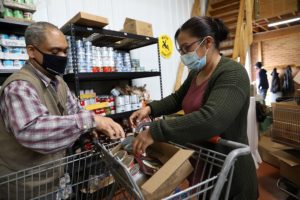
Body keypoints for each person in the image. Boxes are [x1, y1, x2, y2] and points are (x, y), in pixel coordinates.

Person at [130, 16, 258, 199]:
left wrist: (155, 131)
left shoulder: (233, 73)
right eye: (180, 50)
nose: (183, 56)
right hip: (205, 165)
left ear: (207, 42)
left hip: (230, 171)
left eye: (187, 48)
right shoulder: (196, 73)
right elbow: (177, 99)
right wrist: (150, 109)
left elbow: (212, 118)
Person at [0, 22, 124, 198]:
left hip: (52, 179)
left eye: (65, 51)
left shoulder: (58, 82)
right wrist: (91, 121)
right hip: (24, 187)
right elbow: (32, 130)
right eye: (55, 52)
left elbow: (75, 111)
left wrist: (92, 127)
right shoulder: (19, 87)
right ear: (32, 51)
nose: (62, 57)